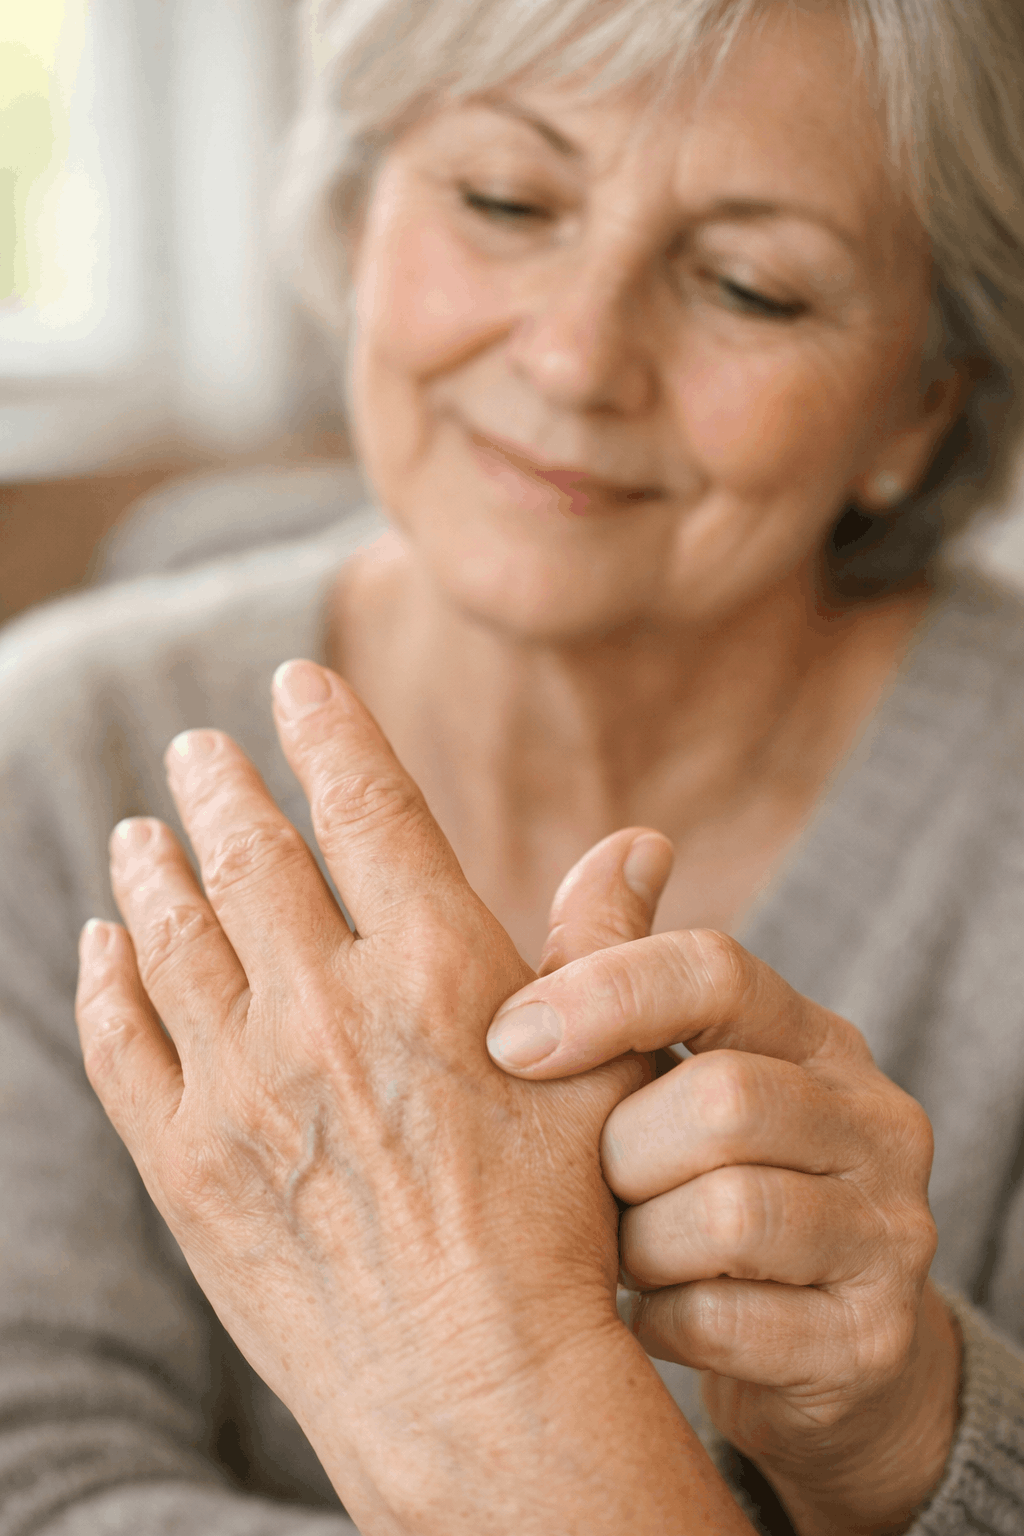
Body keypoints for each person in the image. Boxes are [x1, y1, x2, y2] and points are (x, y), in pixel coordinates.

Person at [3, 0, 1024, 1530]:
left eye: (751, 286)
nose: (574, 354)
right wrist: (514, 1413)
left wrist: (914, 1432)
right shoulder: (61, 751)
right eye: (505, 201)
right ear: (357, 216)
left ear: (919, 410)